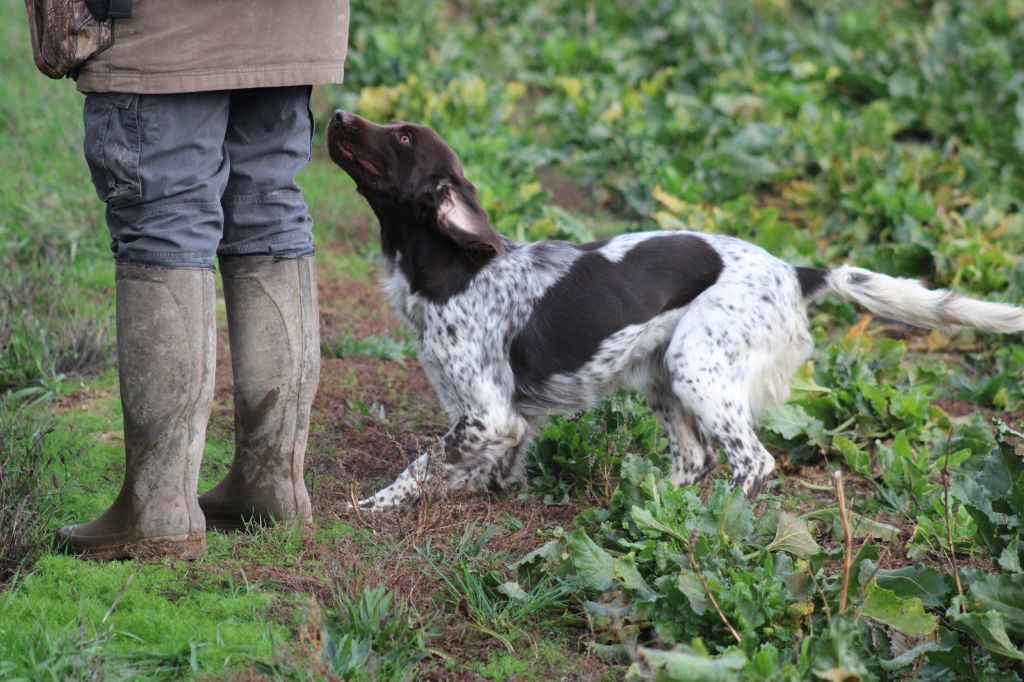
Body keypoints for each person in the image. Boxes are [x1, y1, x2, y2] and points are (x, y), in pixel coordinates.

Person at [54, 0, 351, 560]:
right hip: (294, 22)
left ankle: (158, 509)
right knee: (268, 208)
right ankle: (273, 484)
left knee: (163, 218)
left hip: (168, 27)